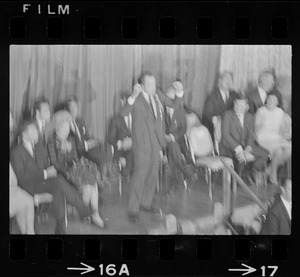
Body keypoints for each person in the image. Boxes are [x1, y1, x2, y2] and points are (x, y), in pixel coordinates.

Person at [120, 72, 184, 222]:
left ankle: (146, 203)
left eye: (154, 83)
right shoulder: (136, 98)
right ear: (141, 85)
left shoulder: (158, 94)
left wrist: (180, 91)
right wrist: (133, 96)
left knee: (152, 175)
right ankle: (133, 210)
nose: (153, 87)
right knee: (139, 176)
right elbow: (123, 113)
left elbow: (175, 105)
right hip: (142, 144)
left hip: (157, 143)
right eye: (149, 84)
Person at [10, 120, 93, 234]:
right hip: (27, 187)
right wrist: (45, 173)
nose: (37, 132)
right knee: (58, 181)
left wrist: (50, 170)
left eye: (36, 129)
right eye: (33, 130)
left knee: (58, 187)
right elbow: (22, 177)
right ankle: (83, 210)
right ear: (24, 134)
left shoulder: (38, 146)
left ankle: (61, 228)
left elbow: (45, 165)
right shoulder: (17, 152)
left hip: (40, 182)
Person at [47, 111, 105, 228]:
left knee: (91, 183)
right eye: (63, 126)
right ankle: (91, 215)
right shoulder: (51, 142)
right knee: (89, 185)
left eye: (68, 126)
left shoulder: (71, 140)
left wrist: (77, 167)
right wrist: (62, 153)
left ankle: (93, 214)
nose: (66, 129)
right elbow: (55, 164)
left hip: (74, 170)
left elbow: (75, 158)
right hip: (62, 175)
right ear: (57, 127)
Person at [219, 95, 269, 183]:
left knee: (265, 154)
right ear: (234, 104)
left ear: (247, 106)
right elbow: (226, 136)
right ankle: (237, 181)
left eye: (242, 105)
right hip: (230, 145)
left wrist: (248, 148)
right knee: (240, 159)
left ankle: (251, 171)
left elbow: (250, 136)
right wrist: (239, 149)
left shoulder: (250, 117)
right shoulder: (227, 115)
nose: (238, 107)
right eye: (237, 104)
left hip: (245, 145)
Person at [255, 93, 291, 185]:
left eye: (274, 99)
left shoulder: (280, 112)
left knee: (289, 149)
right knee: (278, 151)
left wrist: (287, 127)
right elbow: (256, 129)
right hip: (264, 137)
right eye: (269, 99)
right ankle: (273, 174)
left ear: (277, 102)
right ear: (266, 100)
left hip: (277, 137)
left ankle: (268, 170)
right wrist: (261, 124)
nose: (271, 101)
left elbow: (282, 129)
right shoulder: (261, 111)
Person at [164, 85, 196, 190]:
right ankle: (186, 173)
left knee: (173, 146)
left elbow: (183, 129)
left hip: (176, 141)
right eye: (168, 98)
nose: (170, 101)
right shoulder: (160, 110)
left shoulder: (180, 111)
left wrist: (173, 137)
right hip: (162, 141)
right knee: (172, 147)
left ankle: (173, 180)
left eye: (172, 98)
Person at [9, 111, 36, 234]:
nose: (11, 119)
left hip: (12, 185)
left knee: (27, 199)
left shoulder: (11, 136)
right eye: (9, 116)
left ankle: (29, 233)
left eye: (11, 115)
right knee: (25, 201)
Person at [65, 95, 104, 169]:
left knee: (102, 148)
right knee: (98, 157)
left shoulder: (80, 120)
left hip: (86, 149)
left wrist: (94, 140)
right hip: (77, 152)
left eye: (75, 106)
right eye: (71, 106)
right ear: (68, 109)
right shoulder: (65, 123)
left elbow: (87, 136)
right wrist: (86, 144)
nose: (74, 109)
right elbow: (71, 144)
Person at [202, 71, 238, 141]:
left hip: (230, 129)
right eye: (226, 79)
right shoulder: (212, 96)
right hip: (215, 130)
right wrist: (216, 119)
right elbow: (207, 115)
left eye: (230, 79)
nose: (228, 81)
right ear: (219, 81)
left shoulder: (234, 95)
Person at [108, 92, 133, 180]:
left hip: (136, 148)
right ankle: (129, 174)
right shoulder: (115, 119)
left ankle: (128, 172)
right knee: (130, 154)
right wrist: (121, 143)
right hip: (121, 150)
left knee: (133, 152)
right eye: (121, 103)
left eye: (125, 103)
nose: (123, 105)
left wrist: (132, 141)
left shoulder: (138, 118)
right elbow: (110, 138)